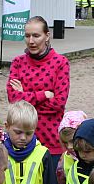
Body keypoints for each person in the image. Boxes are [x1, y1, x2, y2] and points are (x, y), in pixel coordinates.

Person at [7, 16, 70, 156]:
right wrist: (44, 95)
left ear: (47, 36)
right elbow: (13, 99)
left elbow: (58, 103)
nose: (31, 41)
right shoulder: (17, 62)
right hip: (21, 141)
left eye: (36, 36)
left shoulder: (60, 63)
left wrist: (24, 97)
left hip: (51, 142)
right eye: (27, 36)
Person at [1, 100, 62, 184]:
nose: (23, 138)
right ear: (7, 126)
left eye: (29, 133)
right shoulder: (0, 152)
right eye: (18, 132)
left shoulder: (43, 154)